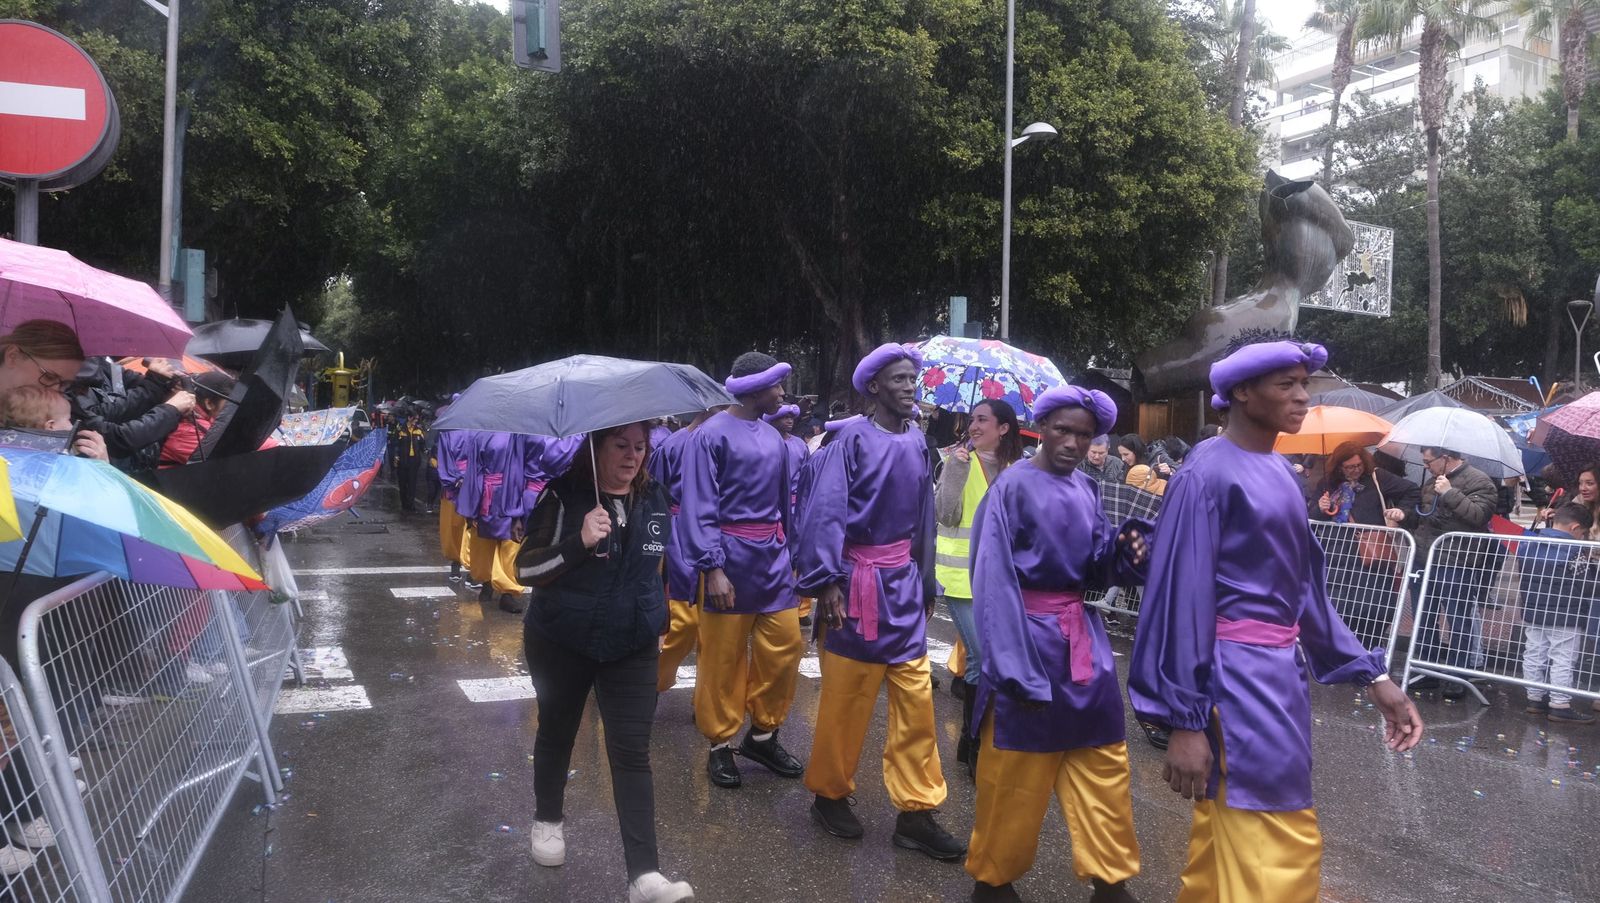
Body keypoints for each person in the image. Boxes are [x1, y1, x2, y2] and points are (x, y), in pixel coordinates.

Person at [1129, 340, 1423, 903]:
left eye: (1304, 383)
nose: (1301, 396)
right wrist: (1186, 720)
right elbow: (1179, 598)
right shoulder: (1205, 474)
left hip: (1277, 675)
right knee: (1280, 836)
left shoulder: (1284, 475)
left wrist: (1373, 676)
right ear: (1241, 392)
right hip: (1234, 681)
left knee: (1228, 836)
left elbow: (1306, 592)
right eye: (1286, 383)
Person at [965, 386, 1148, 903]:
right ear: (1040, 427)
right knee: (1016, 771)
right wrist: (1010, 664)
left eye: (1084, 434)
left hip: (1080, 640)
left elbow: (1095, 568)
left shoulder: (1088, 490)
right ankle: (993, 880)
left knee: (1103, 759)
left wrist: (1124, 554)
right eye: (1063, 430)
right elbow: (993, 578)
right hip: (1027, 639)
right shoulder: (1012, 487)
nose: (1072, 442)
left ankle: (1111, 879)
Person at [795, 342, 964, 861]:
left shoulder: (917, 442)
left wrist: (927, 581)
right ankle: (828, 794)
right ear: (873, 388)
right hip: (855, 585)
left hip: (902, 589)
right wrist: (826, 582)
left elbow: (922, 520)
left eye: (912, 378)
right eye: (898, 379)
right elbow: (824, 513)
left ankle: (916, 812)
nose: (909, 386)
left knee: (916, 703)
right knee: (846, 701)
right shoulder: (848, 443)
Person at [514, 422, 693, 903]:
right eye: (621, 446)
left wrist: (658, 620)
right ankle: (548, 819)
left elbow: (656, 568)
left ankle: (644, 876)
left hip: (630, 646)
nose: (633, 456)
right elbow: (525, 568)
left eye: (640, 447)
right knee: (558, 730)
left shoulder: (654, 497)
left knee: (632, 752)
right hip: (561, 640)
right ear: (595, 449)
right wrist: (579, 542)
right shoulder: (562, 495)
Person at [680, 353, 804, 788]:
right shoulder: (709, 435)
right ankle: (719, 745)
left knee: (786, 646)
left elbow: (786, 506)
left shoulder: (775, 439)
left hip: (772, 560)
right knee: (722, 657)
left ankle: (763, 734)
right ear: (754, 389)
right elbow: (698, 504)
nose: (783, 395)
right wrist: (712, 568)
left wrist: (791, 555)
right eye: (777, 387)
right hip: (728, 559)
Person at [933, 398, 1022, 780]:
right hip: (958, 577)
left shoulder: (1018, 469)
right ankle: (975, 746)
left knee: (977, 661)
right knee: (984, 656)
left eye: (982, 420)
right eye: (971, 419)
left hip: (1000, 579)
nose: (973, 426)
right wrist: (954, 469)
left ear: (1003, 428)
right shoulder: (957, 461)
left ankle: (969, 743)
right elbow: (945, 514)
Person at [1386, 445, 1497, 700]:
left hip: (1457, 561)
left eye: (1428, 461)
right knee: (1423, 616)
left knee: (1458, 620)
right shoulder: (1433, 481)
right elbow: (1425, 518)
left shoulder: (1480, 481)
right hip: (1425, 557)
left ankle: (1457, 675)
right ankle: (1427, 669)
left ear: (1445, 458)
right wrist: (1404, 515)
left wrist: (1450, 493)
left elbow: (1479, 516)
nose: (1426, 466)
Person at [1310, 442, 1420, 648]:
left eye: (1358, 465)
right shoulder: (1327, 483)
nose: (1354, 470)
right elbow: (1313, 517)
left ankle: (1367, 648)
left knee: (1374, 607)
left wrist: (1401, 513)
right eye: (1349, 467)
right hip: (1337, 554)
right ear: (1339, 466)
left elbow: (1412, 491)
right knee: (1336, 606)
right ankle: (1343, 650)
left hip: (1371, 555)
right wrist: (1320, 507)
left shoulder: (1378, 478)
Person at [649, 409, 717, 694]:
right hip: (679, 534)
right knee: (684, 620)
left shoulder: (723, 440)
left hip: (720, 533)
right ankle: (652, 681)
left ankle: (705, 697)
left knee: (715, 627)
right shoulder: (672, 444)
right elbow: (654, 492)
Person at [1516, 503, 1597, 724]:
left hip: (1533, 610)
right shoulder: (1573, 550)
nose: (1582, 537)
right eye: (1582, 533)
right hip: (1566, 615)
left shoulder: (1529, 542)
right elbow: (1587, 585)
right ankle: (1559, 704)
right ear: (1575, 527)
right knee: (1562, 658)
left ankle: (1534, 699)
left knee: (1534, 652)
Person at [765, 402, 814, 625]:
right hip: (775, 506)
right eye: (784, 417)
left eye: (791, 417)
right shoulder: (768, 442)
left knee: (799, 555)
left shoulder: (800, 445)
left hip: (798, 506)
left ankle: (802, 609)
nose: (789, 420)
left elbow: (806, 476)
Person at [0, 386, 108, 460]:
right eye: (68, 419)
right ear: (51, 426)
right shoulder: (59, 462)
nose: (71, 425)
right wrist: (102, 464)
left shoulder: (6, 452)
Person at [159, 371, 241, 466]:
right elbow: (222, 464)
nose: (231, 409)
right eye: (228, 404)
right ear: (209, 403)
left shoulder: (202, 416)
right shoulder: (189, 430)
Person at [434, 428, 474, 583]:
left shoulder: (479, 430)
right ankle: (457, 563)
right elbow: (444, 460)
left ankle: (472, 567)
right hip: (459, 484)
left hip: (470, 483)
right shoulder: (448, 433)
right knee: (457, 527)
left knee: (470, 527)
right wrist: (457, 479)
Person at [392, 412, 427, 513]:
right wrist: (396, 456)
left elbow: (422, 445)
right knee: (403, 484)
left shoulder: (419, 430)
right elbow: (396, 444)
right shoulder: (400, 430)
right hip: (402, 460)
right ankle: (404, 504)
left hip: (414, 461)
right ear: (409, 418)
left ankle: (411, 505)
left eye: (417, 419)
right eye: (414, 419)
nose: (416, 421)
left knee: (412, 484)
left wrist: (426, 451)